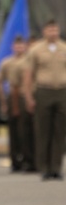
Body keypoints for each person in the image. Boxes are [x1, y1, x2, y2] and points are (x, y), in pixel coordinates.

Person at [23, 20, 66, 181]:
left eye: (55, 29)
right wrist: (29, 96)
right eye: (50, 29)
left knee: (59, 132)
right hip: (43, 91)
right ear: (44, 31)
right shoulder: (35, 50)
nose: (53, 33)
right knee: (43, 131)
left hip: (62, 91)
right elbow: (28, 75)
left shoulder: (64, 48)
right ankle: (45, 167)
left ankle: (56, 167)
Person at [0, 36, 29, 173]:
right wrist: (3, 101)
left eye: (22, 45)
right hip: (12, 97)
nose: (19, 48)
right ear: (12, 47)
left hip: (25, 96)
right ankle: (15, 160)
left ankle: (28, 159)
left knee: (26, 131)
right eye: (17, 45)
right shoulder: (6, 63)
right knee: (14, 131)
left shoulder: (29, 61)